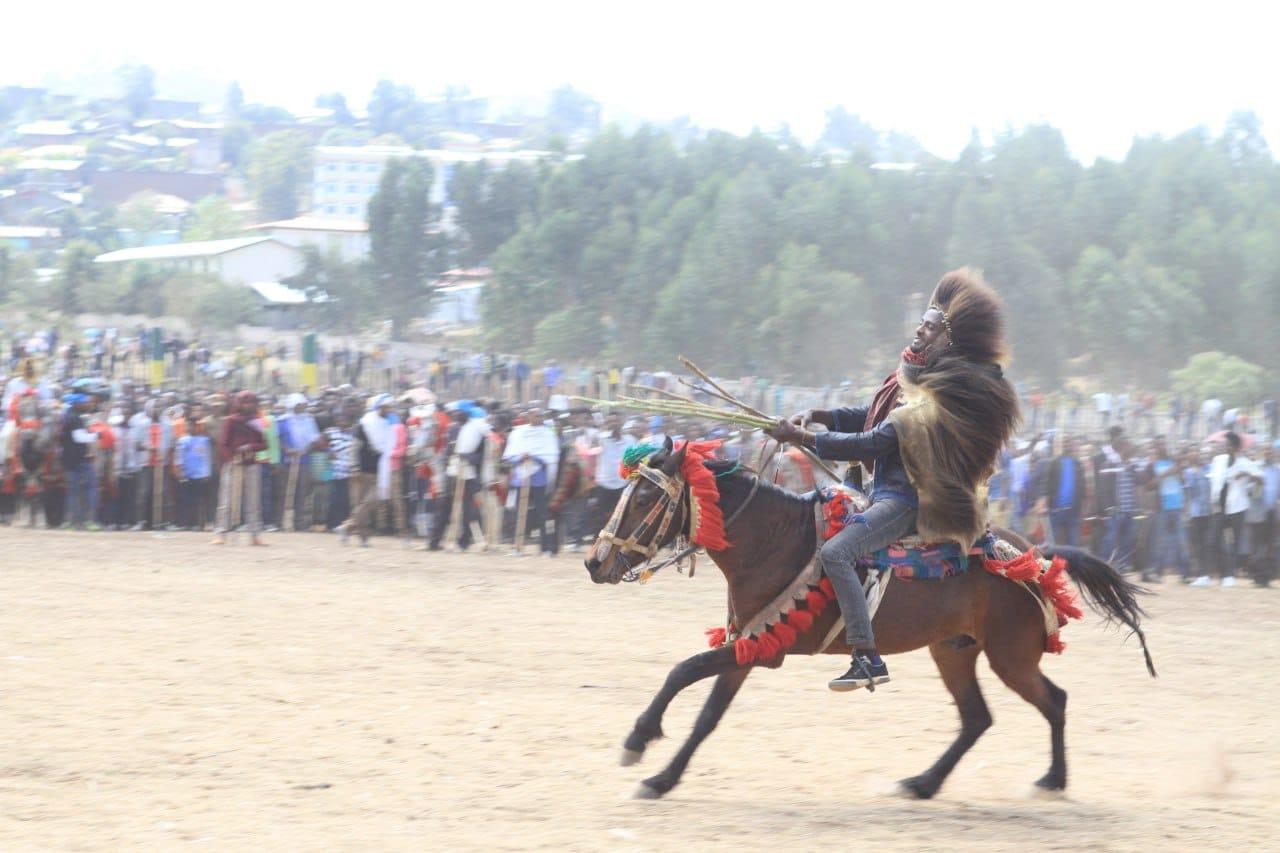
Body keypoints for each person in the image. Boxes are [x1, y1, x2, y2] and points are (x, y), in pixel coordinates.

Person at [769, 269, 1018, 692]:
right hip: (878, 491)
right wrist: (818, 414)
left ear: (947, 342)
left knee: (836, 553)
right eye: (923, 320)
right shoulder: (909, 379)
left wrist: (803, 438)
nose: (921, 328)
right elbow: (868, 416)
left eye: (932, 326)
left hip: (905, 501)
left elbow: (871, 442)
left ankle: (866, 657)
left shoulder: (934, 402)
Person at [1198, 431, 1262, 587]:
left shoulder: (1245, 462)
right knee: (1211, 541)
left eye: (1226, 444)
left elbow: (1260, 478)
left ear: (1233, 446)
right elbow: (1214, 481)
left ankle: (1229, 576)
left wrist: (1247, 474)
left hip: (1237, 508)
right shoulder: (1218, 460)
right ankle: (1206, 576)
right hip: (1219, 507)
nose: (1223, 446)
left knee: (1233, 543)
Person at [213, 391, 267, 546]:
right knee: (226, 501)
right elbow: (223, 444)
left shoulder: (257, 421)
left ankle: (255, 535)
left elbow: (264, 444)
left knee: (253, 501)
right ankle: (221, 534)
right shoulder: (231, 421)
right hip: (233, 464)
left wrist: (251, 447)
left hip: (251, 465)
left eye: (251, 402)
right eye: (245, 402)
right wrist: (232, 458)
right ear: (239, 404)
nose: (248, 406)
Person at [1034, 434, 1087, 547]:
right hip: (1055, 510)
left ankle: (1070, 564)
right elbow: (1046, 485)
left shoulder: (1078, 464)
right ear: (1060, 445)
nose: (1067, 444)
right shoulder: (1053, 462)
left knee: (1073, 544)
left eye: (1069, 442)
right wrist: (1042, 503)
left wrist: (1083, 509)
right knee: (1052, 543)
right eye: (1064, 442)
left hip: (1073, 512)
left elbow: (1082, 488)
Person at [60, 392, 99, 530]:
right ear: (77, 404)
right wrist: (96, 435)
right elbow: (79, 438)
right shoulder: (74, 418)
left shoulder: (68, 416)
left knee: (73, 492)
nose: (86, 404)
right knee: (90, 490)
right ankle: (89, 521)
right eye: (84, 402)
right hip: (79, 461)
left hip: (70, 461)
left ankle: (73, 521)